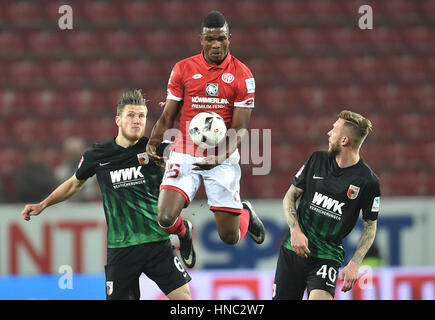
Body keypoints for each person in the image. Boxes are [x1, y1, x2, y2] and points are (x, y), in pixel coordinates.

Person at [21, 90, 192, 300]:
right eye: (131, 115)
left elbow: (190, 158)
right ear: (118, 120)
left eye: (141, 116)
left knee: (184, 299)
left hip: (157, 243)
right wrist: (43, 204)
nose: (137, 121)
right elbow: (74, 184)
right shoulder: (97, 155)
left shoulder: (156, 149)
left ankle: (183, 231)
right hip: (121, 249)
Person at [146, 11, 266, 269]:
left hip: (221, 155)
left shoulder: (243, 75)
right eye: (210, 39)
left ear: (229, 38)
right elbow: (169, 113)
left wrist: (219, 157)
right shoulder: (183, 68)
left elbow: (240, 128)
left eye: (221, 39)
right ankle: (183, 231)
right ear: (201, 39)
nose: (215, 45)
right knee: (165, 218)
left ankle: (244, 211)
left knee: (230, 238)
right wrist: (153, 142)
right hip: (185, 151)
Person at [273, 110, 380, 300]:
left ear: (344, 140)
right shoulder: (317, 160)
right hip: (293, 251)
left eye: (334, 130)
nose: (329, 133)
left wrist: (355, 263)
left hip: (327, 256)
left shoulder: (368, 181)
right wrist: (295, 230)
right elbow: (289, 197)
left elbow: (370, 225)